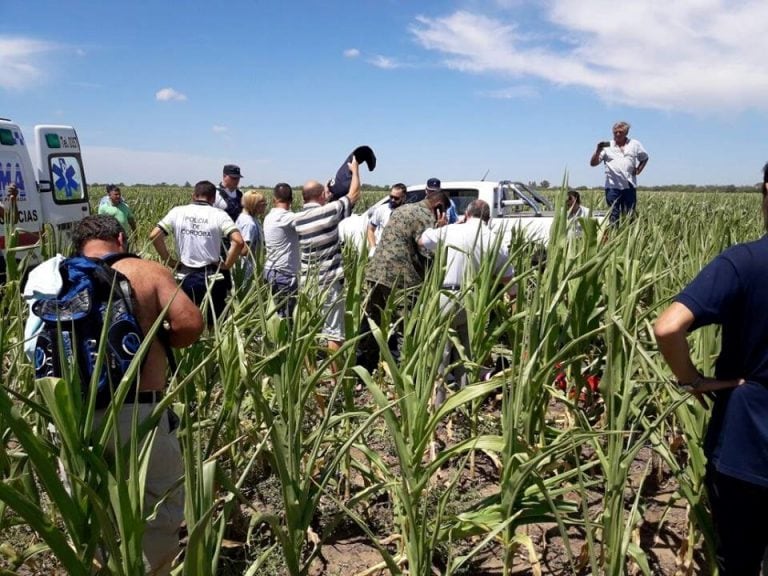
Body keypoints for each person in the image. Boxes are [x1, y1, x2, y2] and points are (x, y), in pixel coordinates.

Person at [32, 214, 204, 574]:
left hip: (75, 414)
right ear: (121, 238)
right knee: (156, 507)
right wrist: (157, 338)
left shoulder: (53, 276)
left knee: (92, 507)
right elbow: (190, 324)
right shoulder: (147, 271)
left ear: (77, 246)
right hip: (140, 412)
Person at [653, 162, 768, 575]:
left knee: (738, 561)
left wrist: (693, 381)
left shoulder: (745, 262)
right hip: (746, 444)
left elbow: (667, 327)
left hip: (747, 442)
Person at [419, 199, 515, 400]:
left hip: (447, 296)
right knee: (467, 356)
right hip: (475, 302)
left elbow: (423, 240)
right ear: (487, 219)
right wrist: (514, 299)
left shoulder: (453, 230)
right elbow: (509, 280)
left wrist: (441, 227)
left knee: (441, 353)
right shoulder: (494, 240)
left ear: (467, 215)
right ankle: (465, 403)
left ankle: (438, 404)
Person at [356, 189, 450, 372]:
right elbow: (427, 252)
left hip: (376, 273)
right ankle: (404, 375)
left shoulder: (402, 209)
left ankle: (364, 367)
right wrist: (441, 230)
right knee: (405, 327)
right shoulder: (426, 217)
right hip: (402, 280)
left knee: (371, 322)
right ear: (439, 207)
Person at [149, 180, 244, 324]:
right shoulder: (219, 214)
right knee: (216, 323)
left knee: (184, 321)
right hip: (212, 277)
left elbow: (154, 235)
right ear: (213, 198)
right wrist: (227, 264)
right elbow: (238, 241)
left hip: (185, 275)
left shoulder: (177, 211)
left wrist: (169, 260)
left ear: (194, 196)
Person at [294, 158, 361, 359]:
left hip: (307, 282)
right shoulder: (330, 211)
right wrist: (355, 171)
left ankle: (310, 374)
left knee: (309, 332)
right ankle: (335, 381)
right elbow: (354, 194)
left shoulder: (297, 219)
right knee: (334, 332)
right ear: (323, 195)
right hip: (329, 282)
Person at [589, 121, 648, 225]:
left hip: (629, 185)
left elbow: (644, 157)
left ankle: (628, 236)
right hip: (612, 187)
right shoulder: (607, 146)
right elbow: (593, 163)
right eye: (615, 132)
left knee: (629, 214)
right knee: (613, 214)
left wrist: (638, 170)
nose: (617, 134)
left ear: (626, 133)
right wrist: (598, 150)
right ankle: (613, 235)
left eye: (620, 132)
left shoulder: (634, 144)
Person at [263, 182, 300, 318]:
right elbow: (310, 222)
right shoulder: (287, 218)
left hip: (270, 270)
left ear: (274, 200)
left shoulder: (269, 217)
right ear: (291, 200)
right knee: (283, 319)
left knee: (272, 315)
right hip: (283, 275)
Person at [367, 183, 406, 254]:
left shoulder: (407, 212)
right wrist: (373, 248)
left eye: (396, 198)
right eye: (391, 197)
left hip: (400, 252)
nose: (393, 200)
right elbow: (370, 229)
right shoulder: (381, 210)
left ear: (403, 197)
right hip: (381, 251)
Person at [235, 190, 266, 281]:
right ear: (254, 205)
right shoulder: (249, 224)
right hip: (247, 268)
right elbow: (244, 250)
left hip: (243, 266)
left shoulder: (244, 217)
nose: (265, 206)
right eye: (263, 204)